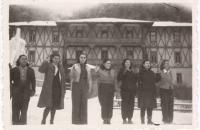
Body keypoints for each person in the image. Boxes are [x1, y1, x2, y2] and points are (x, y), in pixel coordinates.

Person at [37, 53, 66, 124]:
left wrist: (64, 90)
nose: (57, 60)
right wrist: (45, 62)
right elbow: (40, 70)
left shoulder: (60, 67)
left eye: (58, 58)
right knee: (48, 105)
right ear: (52, 58)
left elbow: (63, 79)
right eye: (55, 58)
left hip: (58, 89)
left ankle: (52, 120)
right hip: (50, 88)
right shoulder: (48, 65)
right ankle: (43, 120)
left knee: (55, 106)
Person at [10, 55, 36, 125]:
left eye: (25, 59)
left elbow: (33, 81)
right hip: (16, 93)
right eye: (22, 59)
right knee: (15, 109)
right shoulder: (14, 70)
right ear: (19, 60)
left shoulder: (31, 70)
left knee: (24, 110)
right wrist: (12, 90)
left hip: (26, 93)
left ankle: (22, 124)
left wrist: (33, 90)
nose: (24, 60)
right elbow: (9, 81)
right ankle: (15, 123)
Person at [70, 52, 93, 124]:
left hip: (85, 86)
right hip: (76, 85)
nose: (82, 59)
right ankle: (76, 121)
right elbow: (71, 77)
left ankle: (83, 121)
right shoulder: (75, 66)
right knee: (76, 103)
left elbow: (90, 78)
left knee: (84, 103)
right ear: (78, 58)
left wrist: (90, 87)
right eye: (81, 57)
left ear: (86, 59)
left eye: (84, 58)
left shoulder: (88, 67)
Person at [95, 59, 118, 124]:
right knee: (104, 104)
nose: (109, 64)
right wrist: (95, 71)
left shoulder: (113, 71)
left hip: (111, 88)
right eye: (107, 63)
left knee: (110, 104)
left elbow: (115, 81)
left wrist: (116, 90)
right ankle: (104, 118)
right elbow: (94, 76)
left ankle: (109, 118)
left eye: (109, 63)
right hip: (103, 88)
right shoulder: (100, 70)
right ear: (104, 64)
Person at [117, 58, 137, 124]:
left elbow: (135, 80)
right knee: (125, 105)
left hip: (132, 91)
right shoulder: (122, 70)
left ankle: (130, 119)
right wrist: (124, 72)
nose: (128, 63)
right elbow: (119, 78)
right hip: (125, 91)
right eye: (126, 62)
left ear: (130, 63)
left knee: (131, 105)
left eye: (129, 62)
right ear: (124, 63)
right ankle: (124, 119)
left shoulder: (132, 71)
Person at [137, 60, 157, 125]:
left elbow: (154, 82)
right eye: (146, 63)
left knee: (150, 107)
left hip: (151, 92)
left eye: (149, 63)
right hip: (143, 92)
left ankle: (149, 120)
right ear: (143, 65)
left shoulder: (152, 73)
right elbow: (139, 82)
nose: (148, 64)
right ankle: (142, 121)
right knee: (143, 107)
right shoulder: (141, 73)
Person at [158, 60, 174, 124]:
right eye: (166, 63)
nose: (168, 64)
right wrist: (162, 82)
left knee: (170, 105)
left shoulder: (170, 72)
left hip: (170, 89)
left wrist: (172, 86)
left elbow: (171, 80)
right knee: (165, 105)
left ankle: (170, 119)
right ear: (163, 65)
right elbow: (157, 83)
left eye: (168, 63)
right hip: (163, 90)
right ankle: (165, 119)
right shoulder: (160, 72)